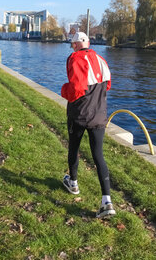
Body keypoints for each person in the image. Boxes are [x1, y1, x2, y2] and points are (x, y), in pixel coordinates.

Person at [60, 32, 115, 218]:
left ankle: (73, 183)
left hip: (78, 115)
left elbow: (76, 89)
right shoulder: (101, 59)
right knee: (98, 155)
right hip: (99, 115)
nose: (72, 47)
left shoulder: (74, 58)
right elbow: (107, 85)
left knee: (74, 147)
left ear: (75, 44)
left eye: (72, 44)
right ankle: (107, 201)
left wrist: (63, 90)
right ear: (88, 43)